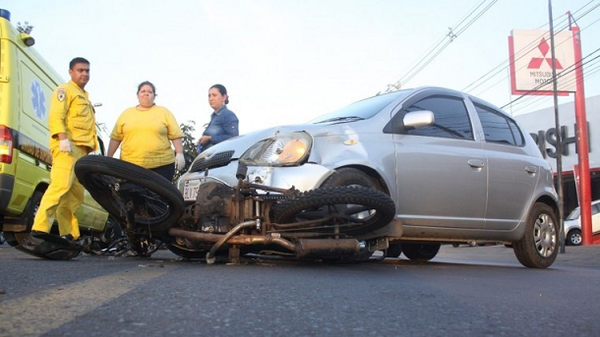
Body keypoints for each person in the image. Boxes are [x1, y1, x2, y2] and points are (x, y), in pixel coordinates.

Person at [27, 57, 99, 242]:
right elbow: (56, 116)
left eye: (87, 71)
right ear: (71, 72)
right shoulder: (64, 90)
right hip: (68, 148)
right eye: (80, 70)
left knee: (74, 196)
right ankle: (39, 229)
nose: (84, 74)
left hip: (81, 152)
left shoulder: (84, 95)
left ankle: (69, 234)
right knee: (60, 186)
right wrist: (62, 138)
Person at [106, 81, 185, 181]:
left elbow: (175, 135)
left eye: (150, 92)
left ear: (154, 96)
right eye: (143, 91)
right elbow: (115, 138)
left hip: (162, 166)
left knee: (158, 196)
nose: (146, 93)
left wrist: (179, 153)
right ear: (137, 95)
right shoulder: (126, 114)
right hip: (130, 166)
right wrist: (109, 157)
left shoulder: (164, 112)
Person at [197, 84, 239, 152]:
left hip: (220, 159)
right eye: (209, 96)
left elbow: (233, 138)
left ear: (224, 97)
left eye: (214, 95)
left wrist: (210, 138)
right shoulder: (214, 117)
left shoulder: (228, 115)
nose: (211, 99)